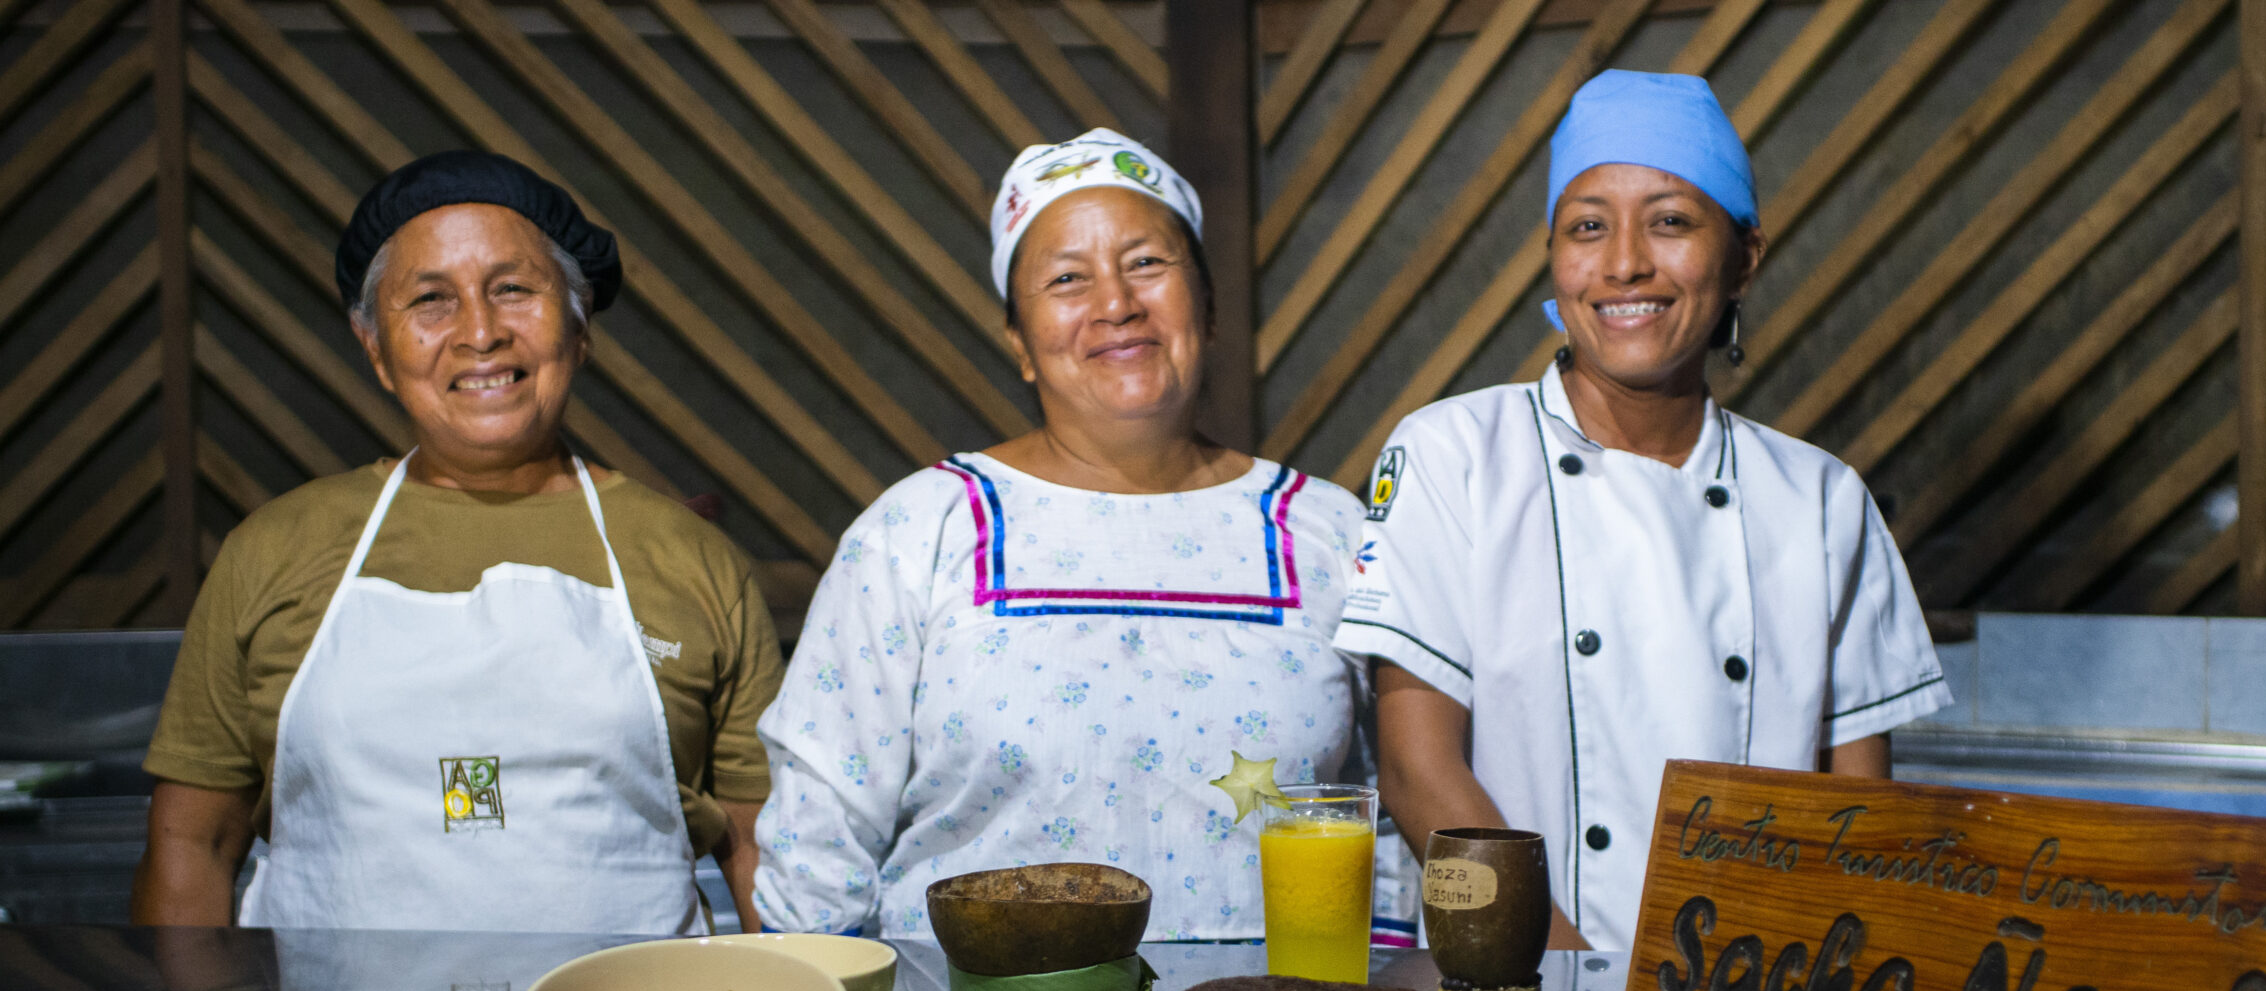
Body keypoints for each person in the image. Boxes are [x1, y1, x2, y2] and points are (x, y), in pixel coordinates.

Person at [1336, 71, 1948, 953]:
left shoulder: (1820, 498)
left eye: (1669, 221)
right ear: (1554, 255)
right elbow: (1415, 771)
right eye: (1588, 226)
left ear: (1745, 257)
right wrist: (1575, 982)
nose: (1624, 261)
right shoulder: (1453, 453)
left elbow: (1860, 819)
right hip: (1521, 989)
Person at [134, 151, 782, 934]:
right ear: (377, 349)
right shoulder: (273, 551)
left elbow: (763, 853)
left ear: (578, 331)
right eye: (431, 300)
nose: (480, 333)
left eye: (513, 289)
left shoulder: (693, 559)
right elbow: (191, 846)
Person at [754, 130, 1378, 940]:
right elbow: (818, 841)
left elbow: (1390, 822)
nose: (1115, 303)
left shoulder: (1329, 530)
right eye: (1066, 280)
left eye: (1147, 263)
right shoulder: (920, 531)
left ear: (1210, 308)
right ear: (1019, 343)